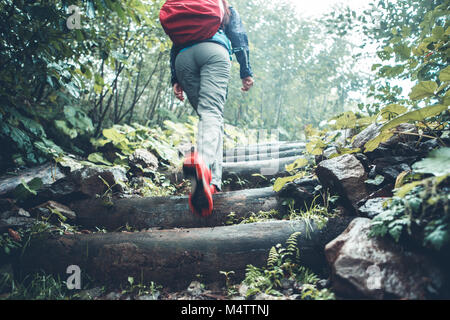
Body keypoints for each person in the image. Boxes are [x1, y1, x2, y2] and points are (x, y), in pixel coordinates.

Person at [167, 0, 254, 217]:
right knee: (211, 113)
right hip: (214, 51)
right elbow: (238, 36)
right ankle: (203, 164)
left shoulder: (186, 5)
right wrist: (246, 70)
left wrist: (175, 77)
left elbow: (175, 41)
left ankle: (212, 183)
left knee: (209, 116)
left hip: (183, 58)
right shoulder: (222, 4)